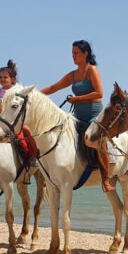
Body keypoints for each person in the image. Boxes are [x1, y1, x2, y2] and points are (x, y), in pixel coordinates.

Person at [41, 40, 114, 192]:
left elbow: (99, 94)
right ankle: (55, 174)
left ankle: (106, 178)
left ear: (85, 54)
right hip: (77, 115)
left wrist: (76, 99)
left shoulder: (91, 70)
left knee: (97, 140)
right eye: (72, 53)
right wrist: (33, 94)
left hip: (94, 115)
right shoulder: (73, 75)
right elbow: (54, 87)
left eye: (76, 53)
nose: (73, 56)